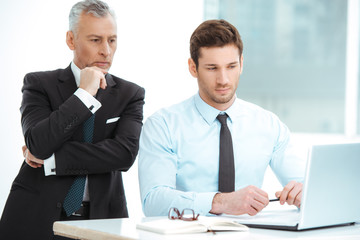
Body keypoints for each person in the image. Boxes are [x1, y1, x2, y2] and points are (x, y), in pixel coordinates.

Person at [0, 0, 145, 239]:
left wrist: (53, 160)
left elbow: (124, 154)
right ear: (71, 40)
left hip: (103, 219)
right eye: (95, 40)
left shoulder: (131, 94)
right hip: (34, 217)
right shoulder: (38, 84)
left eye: (112, 40)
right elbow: (40, 142)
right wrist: (83, 94)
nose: (106, 51)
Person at [138, 19, 305, 217]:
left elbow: (306, 187)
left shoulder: (269, 125)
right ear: (193, 68)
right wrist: (221, 202)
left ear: (241, 64)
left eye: (231, 66)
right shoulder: (163, 125)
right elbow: (153, 202)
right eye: (212, 68)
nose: (223, 79)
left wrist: (304, 192)